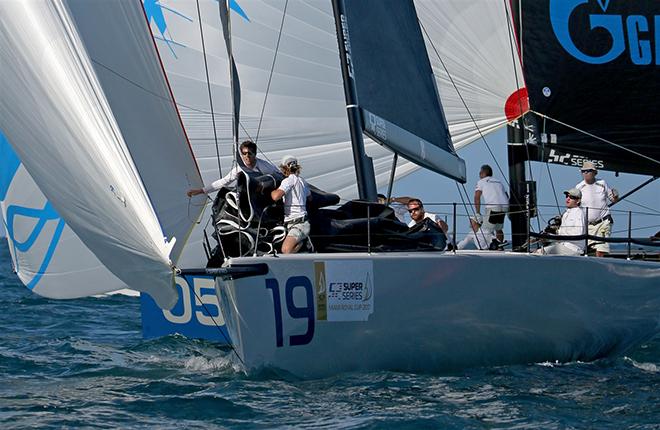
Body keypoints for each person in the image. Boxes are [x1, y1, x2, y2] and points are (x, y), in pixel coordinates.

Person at [187, 140, 279, 197]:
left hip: (265, 194)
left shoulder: (264, 166)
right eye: (244, 153)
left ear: (255, 154)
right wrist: (201, 191)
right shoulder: (239, 169)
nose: (247, 156)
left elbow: (279, 176)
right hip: (249, 196)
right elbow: (224, 182)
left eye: (250, 153)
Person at [575, 161, 619, 257]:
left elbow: (613, 200)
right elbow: (575, 205)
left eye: (588, 171)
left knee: (601, 249)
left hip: (603, 222)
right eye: (583, 171)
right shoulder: (579, 187)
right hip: (587, 225)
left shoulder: (602, 183)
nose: (585, 173)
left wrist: (615, 196)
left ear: (595, 172)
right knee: (586, 250)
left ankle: (600, 266)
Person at [271, 155, 311, 254]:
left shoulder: (288, 181)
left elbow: (276, 197)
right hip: (298, 223)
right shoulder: (302, 181)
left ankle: (306, 246)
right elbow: (310, 197)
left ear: (284, 168)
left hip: (299, 224)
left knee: (286, 250)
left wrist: (271, 191)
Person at [536, 188, 586, 256]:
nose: (568, 199)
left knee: (539, 253)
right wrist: (550, 235)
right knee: (539, 250)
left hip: (573, 248)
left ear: (578, 201)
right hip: (563, 245)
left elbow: (578, 233)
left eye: (571, 197)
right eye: (567, 196)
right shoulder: (566, 214)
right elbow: (561, 234)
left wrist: (556, 236)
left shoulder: (579, 213)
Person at [474, 164, 509, 242]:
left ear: (483, 173)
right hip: (505, 206)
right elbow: (507, 196)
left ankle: (494, 243)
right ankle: (500, 244)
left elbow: (477, 197)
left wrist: (478, 213)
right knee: (498, 228)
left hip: (493, 207)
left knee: (486, 229)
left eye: (480, 172)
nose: (479, 173)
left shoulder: (481, 182)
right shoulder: (498, 182)